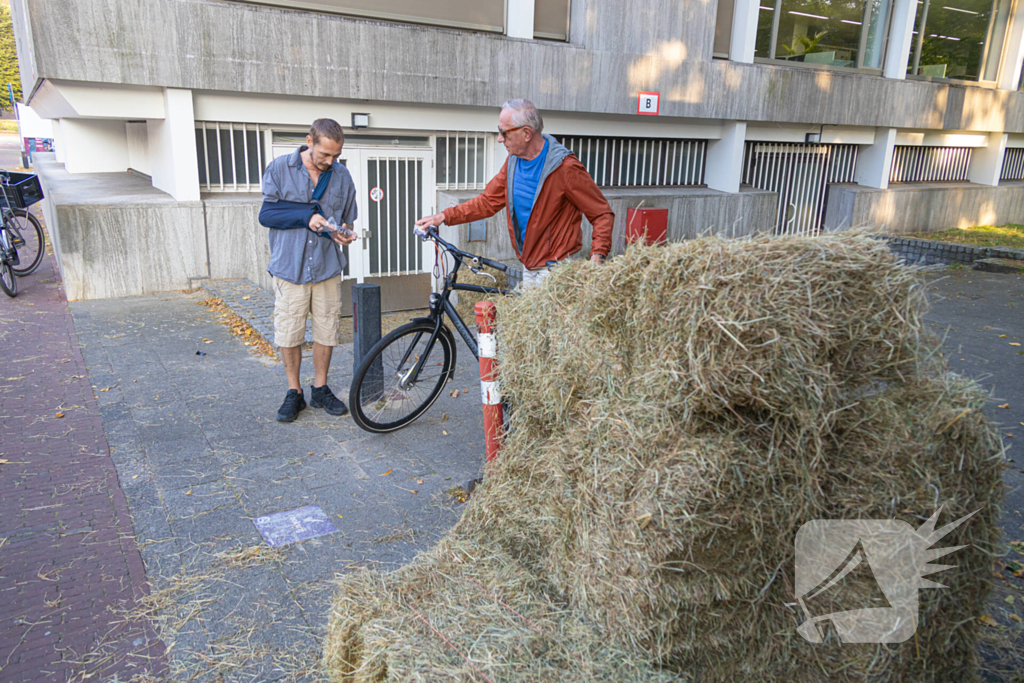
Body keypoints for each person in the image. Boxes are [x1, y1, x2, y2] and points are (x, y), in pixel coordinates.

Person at [416, 99, 614, 289]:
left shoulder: (564, 167)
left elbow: (601, 213)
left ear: (526, 133)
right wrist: (444, 216)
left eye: (504, 133)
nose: (500, 139)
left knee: (542, 324)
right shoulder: (513, 163)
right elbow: (487, 202)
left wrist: (597, 256)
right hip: (529, 264)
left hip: (556, 268)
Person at [258, 119, 357, 422]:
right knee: (290, 333)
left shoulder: (341, 176)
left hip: (327, 266)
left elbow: (347, 219)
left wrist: (343, 234)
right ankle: (294, 392)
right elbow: (267, 214)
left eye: (336, 156)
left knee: (327, 329)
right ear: (309, 142)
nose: (330, 161)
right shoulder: (279, 168)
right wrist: (307, 217)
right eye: (324, 154)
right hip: (291, 267)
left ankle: (321, 388)